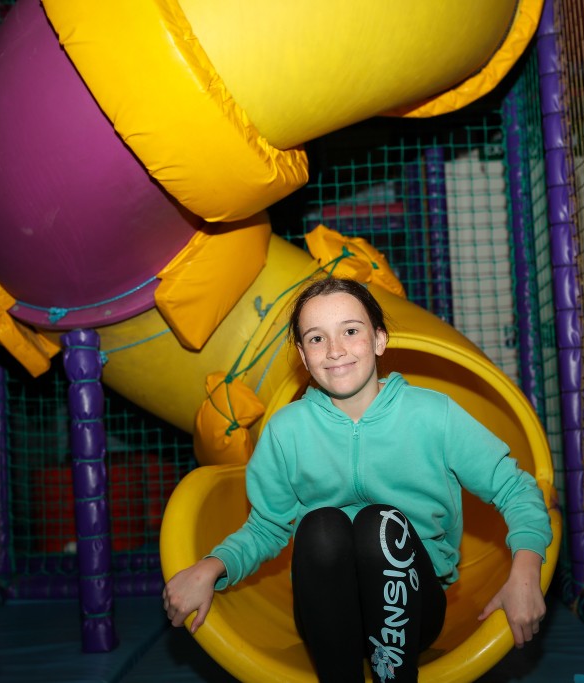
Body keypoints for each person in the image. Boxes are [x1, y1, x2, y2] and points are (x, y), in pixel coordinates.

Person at [163, 277, 551, 683]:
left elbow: (515, 488)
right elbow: (267, 526)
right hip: (326, 616)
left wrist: (525, 574)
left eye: (350, 331)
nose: (335, 350)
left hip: (413, 608)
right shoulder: (286, 430)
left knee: (378, 524)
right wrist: (210, 567)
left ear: (379, 340)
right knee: (321, 524)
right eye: (317, 338)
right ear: (303, 356)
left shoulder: (433, 414)